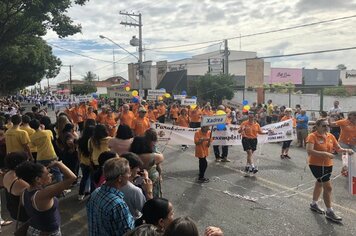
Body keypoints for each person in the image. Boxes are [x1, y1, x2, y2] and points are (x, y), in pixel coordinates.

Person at [306, 119, 353, 222]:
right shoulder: (312, 136)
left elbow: (338, 148)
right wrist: (325, 154)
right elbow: (309, 150)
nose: (326, 127)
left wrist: (347, 150)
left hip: (328, 164)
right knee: (328, 188)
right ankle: (329, 212)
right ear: (317, 126)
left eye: (327, 125)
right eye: (323, 125)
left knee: (319, 183)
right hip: (316, 165)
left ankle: (314, 204)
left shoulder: (330, 136)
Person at [16, 160, 76, 235]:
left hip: (34, 229)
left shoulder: (24, 191)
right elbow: (72, 178)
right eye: (47, 174)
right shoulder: (42, 195)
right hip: (48, 233)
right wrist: (59, 164)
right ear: (38, 179)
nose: (51, 175)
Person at [87, 157, 135, 236]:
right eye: (128, 173)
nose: (130, 175)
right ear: (120, 178)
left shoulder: (95, 192)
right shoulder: (118, 204)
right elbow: (128, 232)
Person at [120, 152, 153, 224]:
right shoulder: (134, 191)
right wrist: (149, 191)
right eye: (137, 167)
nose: (138, 170)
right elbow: (149, 211)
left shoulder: (111, 182)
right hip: (133, 222)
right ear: (129, 169)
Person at [29, 119, 63, 183]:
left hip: (40, 157)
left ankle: (44, 187)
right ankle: (61, 188)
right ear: (40, 124)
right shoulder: (48, 132)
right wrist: (43, 129)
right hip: (51, 155)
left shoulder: (32, 137)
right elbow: (52, 139)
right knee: (57, 172)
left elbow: (34, 145)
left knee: (41, 174)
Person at [3, 152, 29, 223]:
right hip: (23, 214)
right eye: (27, 161)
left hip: (13, 210)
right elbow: (38, 193)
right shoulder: (19, 182)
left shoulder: (7, 174)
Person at [77, 125, 96, 200]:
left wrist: (80, 161)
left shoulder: (80, 141)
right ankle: (93, 195)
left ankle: (80, 194)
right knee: (92, 180)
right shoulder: (93, 141)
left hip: (83, 162)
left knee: (84, 178)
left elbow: (78, 153)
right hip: (92, 163)